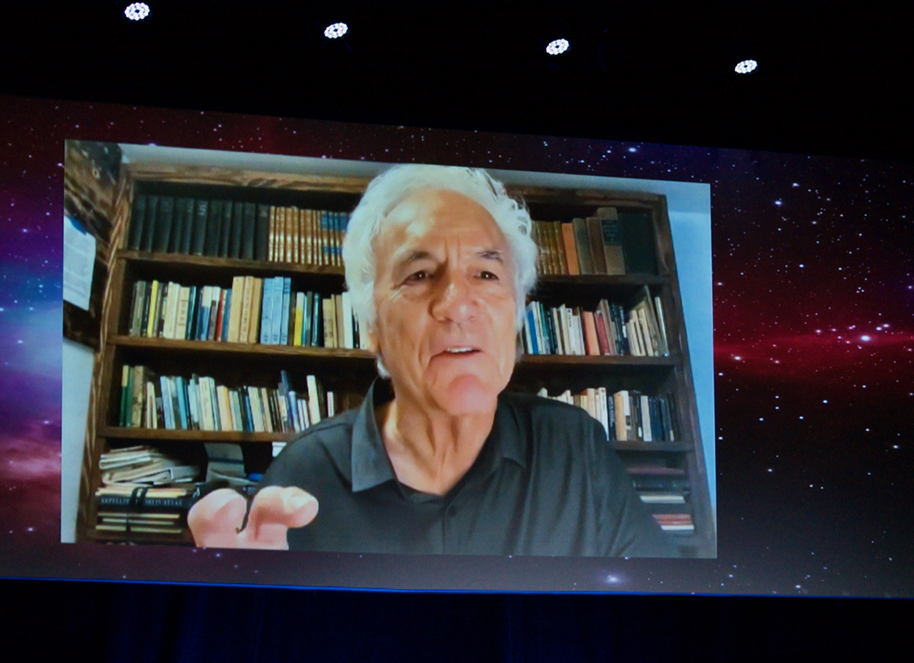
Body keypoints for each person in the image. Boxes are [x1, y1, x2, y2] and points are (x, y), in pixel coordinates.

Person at [188, 164, 677, 557]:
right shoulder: (303, 477)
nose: (457, 304)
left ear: (516, 314)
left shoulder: (576, 451)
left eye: (486, 274)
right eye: (419, 274)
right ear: (372, 326)